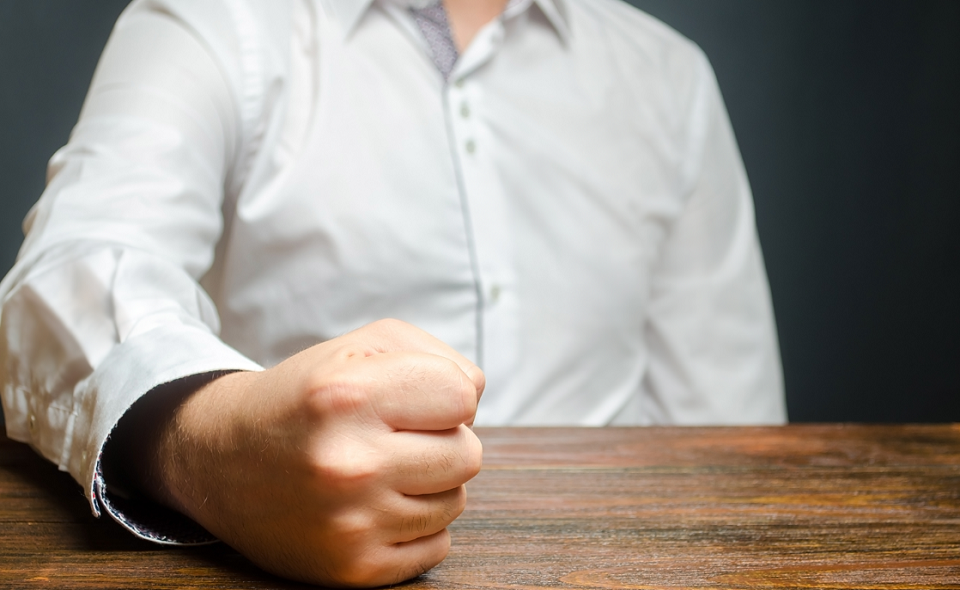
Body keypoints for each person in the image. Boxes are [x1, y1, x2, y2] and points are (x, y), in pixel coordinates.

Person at [0, 0, 786, 585]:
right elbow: (72, 270)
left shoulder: (668, 76)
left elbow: (734, 439)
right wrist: (211, 442)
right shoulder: (215, 22)